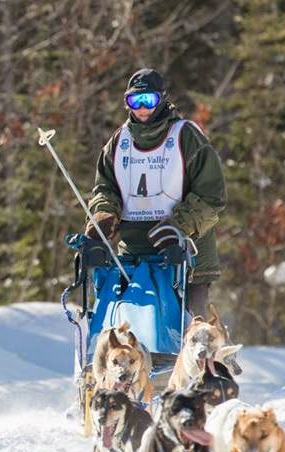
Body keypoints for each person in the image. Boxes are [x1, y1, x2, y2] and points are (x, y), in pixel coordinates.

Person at [86, 68, 227, 318]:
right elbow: (106, 187)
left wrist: (178, 227)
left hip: (185, 255)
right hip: (133, 255)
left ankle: (213, 358)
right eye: (134, 100)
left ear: (161, 99)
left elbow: (211, 196)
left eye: (148, 100)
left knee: (194, 334)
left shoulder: (186, 136)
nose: (141, 108)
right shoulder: (119, 142)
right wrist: (104, 214)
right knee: (126, 326)